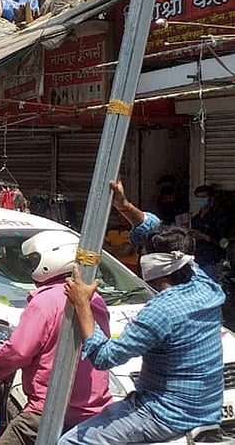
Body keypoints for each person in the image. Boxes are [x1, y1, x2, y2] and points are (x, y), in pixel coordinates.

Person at [59, 181, 225, 445]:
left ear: (152, 263)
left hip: (166, 414)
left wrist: (82, 304)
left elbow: (104, 357)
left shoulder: (161, 311)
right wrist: (124, 206)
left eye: (144, 252)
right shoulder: (202, 283)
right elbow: (155, 229)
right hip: (207, 408)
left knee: (69, 442)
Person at [0, 230, 112, 444]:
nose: (29, 267)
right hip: (94, 414)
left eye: (32, 259)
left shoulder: (45, 302)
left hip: (48, 413)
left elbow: (18, 352)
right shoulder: (94, 298)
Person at [191, 184, 227, 274]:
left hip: (213, 260)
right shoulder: (196, 218)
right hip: (198, 258)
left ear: (210, 199)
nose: (200, 199)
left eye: (203, 197)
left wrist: (205, 237)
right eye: (198, 197)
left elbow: (223, 242)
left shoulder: (218, 217)